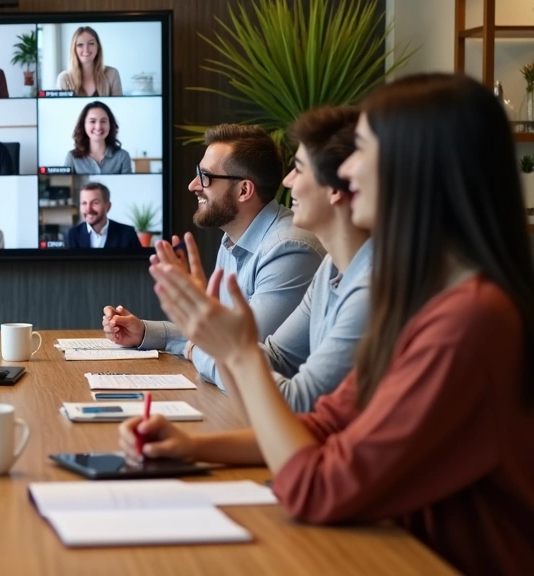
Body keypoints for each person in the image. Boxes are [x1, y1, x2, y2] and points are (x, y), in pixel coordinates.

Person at [122, 74, 534, 576]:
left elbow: (317, 489)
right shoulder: (424, 297)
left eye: (364, 148)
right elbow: (324, 427)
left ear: (419, 168)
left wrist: (237, 354)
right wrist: (190, 447)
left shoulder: (467, 320)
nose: (348, 169)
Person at [161, 107, 371, 412]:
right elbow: (273, 358)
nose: (287, 181)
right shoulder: (330, 268)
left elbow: (294, 395)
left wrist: (205, 345)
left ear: (339, 188)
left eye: (299, 168)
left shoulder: (299, 250)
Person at [103, 124, 325, 389]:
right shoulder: (232, 238)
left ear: (244, 190)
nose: (193, 185)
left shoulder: (289, 249)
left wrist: (197, 349)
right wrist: (146, 333)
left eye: (205, 177)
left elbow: (237, 353)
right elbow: (217, 338)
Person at [64, 100, 133, 174]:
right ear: (83, 125)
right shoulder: (72, 157)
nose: (98, 127)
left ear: (110, 125)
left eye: (103, 121)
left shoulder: (123, 156)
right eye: (92, 121)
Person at [63, 181, 138, 248]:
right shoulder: (72, 234)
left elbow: (139, 262)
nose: (88, 209)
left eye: (95, 203)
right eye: (84, 203)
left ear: (108, 206)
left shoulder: (127, 233)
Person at [54, 26, 122, 96]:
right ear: (74, 49)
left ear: (98, 47)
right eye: (80, 45)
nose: (86, 49)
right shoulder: (64, 78)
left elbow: (119, 106)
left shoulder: (112, 74)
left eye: (91, 43)